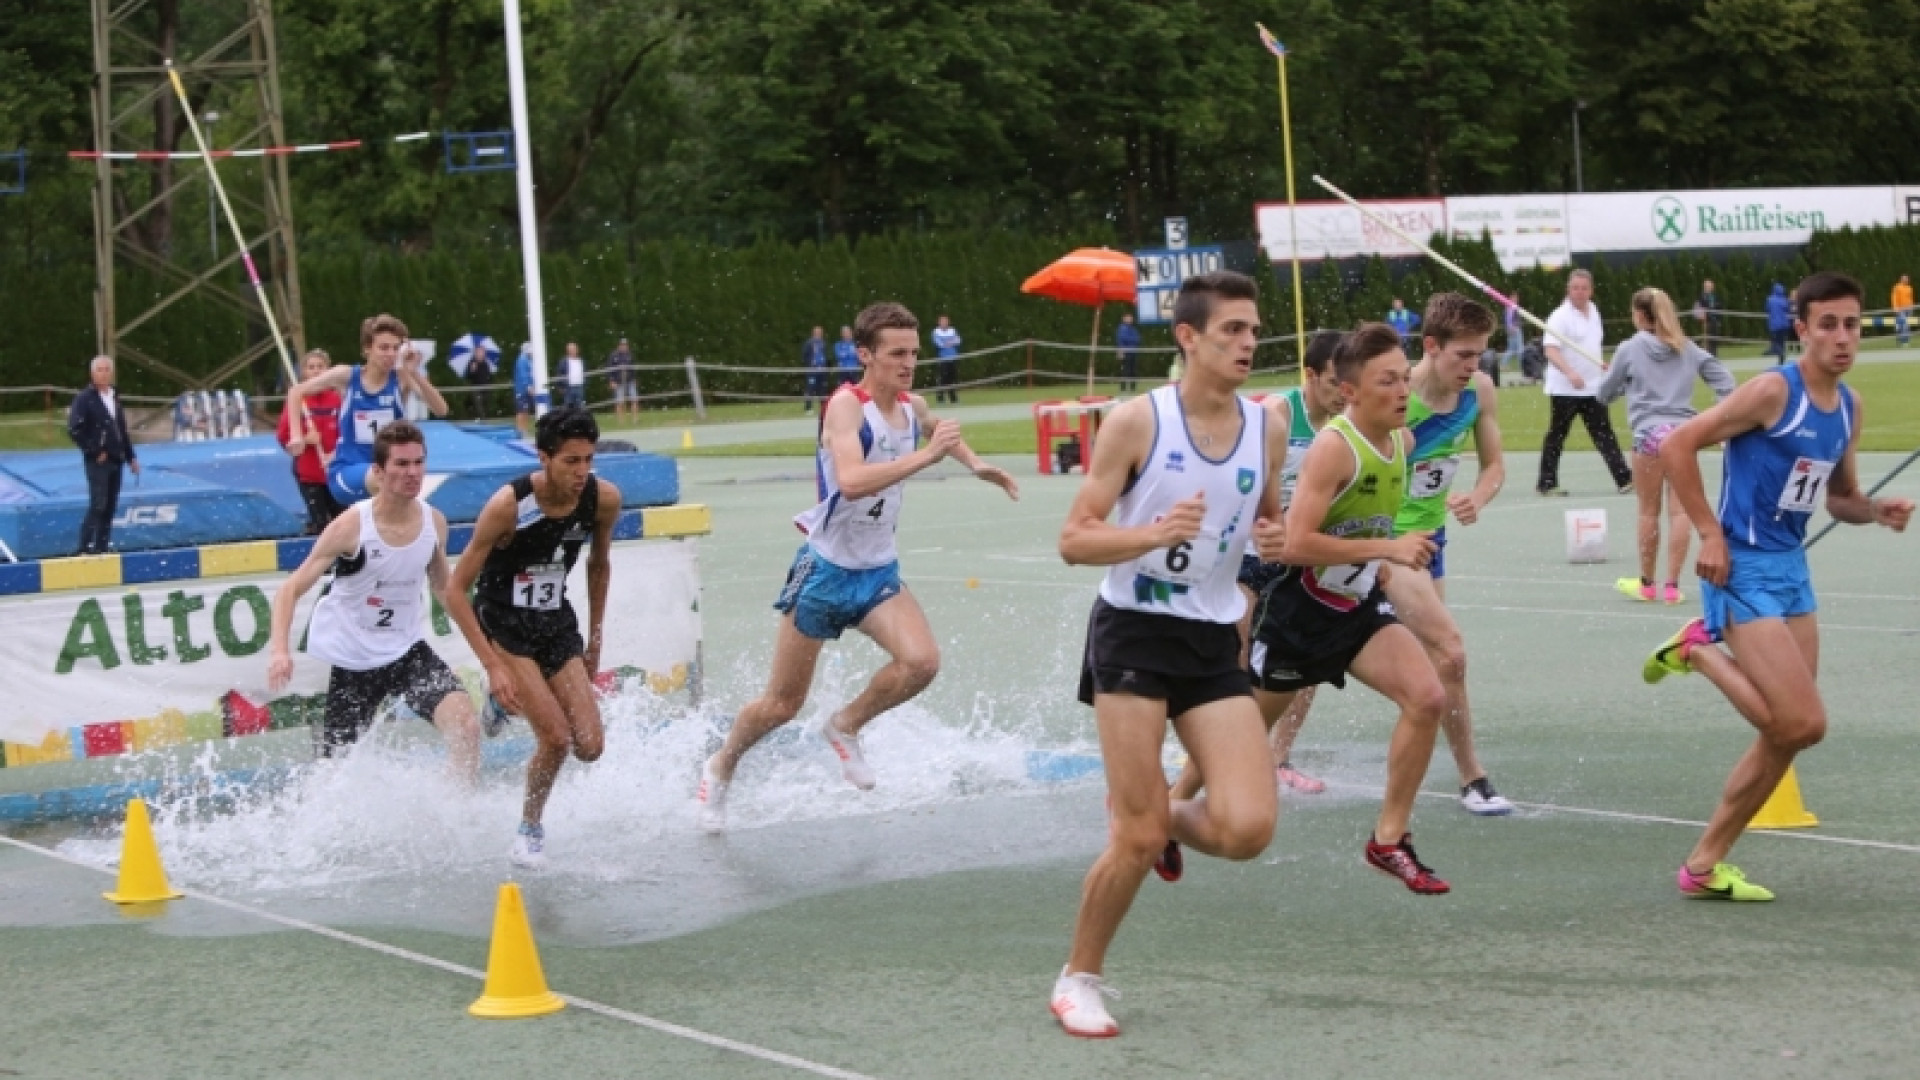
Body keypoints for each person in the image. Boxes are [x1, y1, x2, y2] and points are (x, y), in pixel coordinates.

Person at [1050, 271, 1287, 1039]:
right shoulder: (1135, 422)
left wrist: (1275, 539)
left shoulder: (1268, 426)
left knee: (1249, 829)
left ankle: (1162, 818)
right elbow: (1075, 538)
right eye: (1232, 331)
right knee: (1136, 836)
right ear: (1188, 338)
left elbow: (1268, 517)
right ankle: (1077, 979)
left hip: (1212, 638)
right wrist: (1151, 534)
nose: (1248, 343)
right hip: (1132, 633)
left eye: (1253, 330)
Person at [695, 302, 1018, 833]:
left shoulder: (912, 406)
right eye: (896, 353)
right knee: (780, 705)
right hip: (825, 572)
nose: (908, 363)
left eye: (914, 353)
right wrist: (929, 457)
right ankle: (721, 763)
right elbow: (851, 481)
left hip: (876, 573)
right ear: (865, 354)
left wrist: (979, 465)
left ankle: (845, 726)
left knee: (921, 663)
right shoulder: (847, 407)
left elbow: (943, 433)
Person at [1643, 271, 1913, 901]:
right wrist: (1708, 534)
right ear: (1802, 330)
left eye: (1852, 324)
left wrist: (1875, 511)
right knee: (1806, 723)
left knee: (1784, 734)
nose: (1843, 337)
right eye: (1828, 324)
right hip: (1740, 566)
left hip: (1793, 569)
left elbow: (1839, 498)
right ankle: (1698, 649)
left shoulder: (1849, 406)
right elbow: (1678, 444)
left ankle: (1703, 866)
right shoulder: (1771, 391)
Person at [1248, 322, 1451, 891]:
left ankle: (1389, 839)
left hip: (1357, 611)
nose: (1402, 391)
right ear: (1350, 390)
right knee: (1241, 737)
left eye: (1405, 379)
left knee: (1427, 696)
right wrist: (1386, 547)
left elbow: (1438, 386)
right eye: (1388, 381)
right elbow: (1291, 542)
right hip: (1299, 616)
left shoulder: (1402, 443)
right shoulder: (1334, 447)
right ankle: (1168, 810)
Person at [1169, 329, 1345, 801]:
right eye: (1332, 381)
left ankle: (1278, 757)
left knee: (1306, 660)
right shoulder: (1279, 415)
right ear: (1310, 376)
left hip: (1303, 556)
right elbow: (1237, 480)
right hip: (1250, 552)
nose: (1341, 391)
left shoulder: (1345, 424)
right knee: (1236, 652)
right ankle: (1210, 753)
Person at [444, 406, 620, 869]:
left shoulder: (602, 499)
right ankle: (529, 829)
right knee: (557, 739)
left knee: (590, 745)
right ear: (543, 458)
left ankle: (504, 703)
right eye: (570, 461)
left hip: (554, 623)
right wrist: (493, 665)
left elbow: (599, 565)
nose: (582, 471)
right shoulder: (508, 506)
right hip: (504, 624)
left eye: (588, 460)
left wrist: (595, 639)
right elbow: (455, 591)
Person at [265, 421, 481, 782]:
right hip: (354, 660)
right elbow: (289, 589)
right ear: (379, 472)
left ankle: (460, 813)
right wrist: (279, 651)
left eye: (418, 463)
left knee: (466, 726)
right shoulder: (351, 526)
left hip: (406, 652)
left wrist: (489, 652)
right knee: (335, 775)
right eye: (401, 464)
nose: (412, 473)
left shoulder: (434, 523)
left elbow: (445, 590)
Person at [1596, 288, 1736, 605]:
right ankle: (1672, 586)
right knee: (1680, 512)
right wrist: (1720, 415)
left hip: (1649, 436)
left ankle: (1647, 583)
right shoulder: (1686, 347)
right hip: (1684, 436)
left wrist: (1617, 378)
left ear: (1640, 315)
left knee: (1648, 511)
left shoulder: (1629, 348)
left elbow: (1603, 395)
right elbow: (1724, 380)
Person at [287, 314, 448, 506]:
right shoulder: (346, 376)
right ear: (367, 349)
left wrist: (414, 372)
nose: (390, 354)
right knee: (387, 478)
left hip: (388, 473)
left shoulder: (401, 378)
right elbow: (296, 392)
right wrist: (296, 435)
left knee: (398, 479)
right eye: (383, 348)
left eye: (396, 348)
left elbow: (441, 409)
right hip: (348, 472)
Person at [1537, 269, 1633, 496]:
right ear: (1568, 290)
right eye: (1575, 288)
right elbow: (1550, 350)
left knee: (1604, 434)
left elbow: (1591, 346)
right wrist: (1569, 372)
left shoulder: (1594, 311)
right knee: (1557, 435)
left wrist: (1602, 364)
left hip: (1593, 387)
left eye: (1584, 288)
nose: (1579, 293)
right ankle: (1547, 483)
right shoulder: (1559, 316)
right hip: (1565, 390)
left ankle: (1624, 478)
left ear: (1591, 290)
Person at [67, 355, 141, 555]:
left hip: (116, 458)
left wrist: (130, 456)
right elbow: (75, 429)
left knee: (109, 506)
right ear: (92, 373)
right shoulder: (84, 399)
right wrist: (94, 450)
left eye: (107, 369)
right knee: (98, 504)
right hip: (98, 460)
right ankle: (84, 546)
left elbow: (121, 430)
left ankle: (101, 546)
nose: (104, 373)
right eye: (100, 369)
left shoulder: (114, 397)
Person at [277, 348, 344, 534]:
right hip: (309, 473)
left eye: (320, 367)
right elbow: (283, 434)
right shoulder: (299, 400)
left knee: (342, 521)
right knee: (321, 524)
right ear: (304, 372)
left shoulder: (338, 399)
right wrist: (305, 439)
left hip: (335, 470)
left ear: (328, 370)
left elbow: (349, 432)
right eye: (311, 367)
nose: (316, 371)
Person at [931, 314, 962, 404]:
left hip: (953, 358)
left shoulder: (952, 331)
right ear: (939, 322)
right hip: (943, 359)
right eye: (942, 321)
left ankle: (953, 398)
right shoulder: (936, 332)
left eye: (946, 321)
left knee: (952, 379)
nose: (944, 323)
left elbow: (958, 340)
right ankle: (940, 399)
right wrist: (948, 343)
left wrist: (949, 342)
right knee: (942, 379)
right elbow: (938, 343)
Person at [462, 341, 496, 420]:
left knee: (485, 406)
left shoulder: (486, 363)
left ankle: (481, 419)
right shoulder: (472, 362)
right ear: (476, 352)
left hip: (486, 388)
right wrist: (472, 370)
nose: (481, 353)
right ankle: (482, 420)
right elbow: (468, 377)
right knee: (478, 406)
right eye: (479, 351)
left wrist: (489, 383)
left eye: (483, 352)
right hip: (476, 388)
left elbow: (489, 376)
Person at [607, 338, 637, 422]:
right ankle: (620, 420)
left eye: (625, 345)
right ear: (619, 346)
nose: (624, 347)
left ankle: (634, 419)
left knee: (634, 399)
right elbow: (610, 369)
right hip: (618, 382)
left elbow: (633, 368)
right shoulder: (613, 356)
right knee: (619, 401)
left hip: (629, 380)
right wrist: (611, 381)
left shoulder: (630, 355)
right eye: (622, 345)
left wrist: (634, 378)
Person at [801, 326, 829, 412]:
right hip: (812, 370)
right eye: (817, 332)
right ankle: (808, 408)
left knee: (823, 390)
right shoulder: (809, 343)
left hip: (822, 370)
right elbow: (804, 355)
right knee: (810, 388)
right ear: (813, 333)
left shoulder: (823, 343)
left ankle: (823, 408)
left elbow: (826, 355)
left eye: (820, 332)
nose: (819, 334)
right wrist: (809, 363)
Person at [1765, 283, 1793, 363]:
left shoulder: (1770, 299)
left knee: (1775, 341)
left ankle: (1777, 352)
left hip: (1774, 325)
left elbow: (1767, 309)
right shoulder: (1784, 300)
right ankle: (1781, 359)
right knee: (1782, 342)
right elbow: (1788, 309)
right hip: (1784, 324)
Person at [1694, 280, 1724, 356]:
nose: (1707, 288)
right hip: (1705, 322)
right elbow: (1697, 310)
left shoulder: (1716, 297)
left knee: (1714, 340)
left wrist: (1719, 320)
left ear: (1712, 288)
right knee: (1706, 340)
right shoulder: (1700, 298)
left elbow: (1720, 308)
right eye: (1706, 287)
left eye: (1709, 286)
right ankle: (1705, 356)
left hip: (1715, 321)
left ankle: (1714, 355)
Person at [512, 344, 536, 437]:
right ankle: (520, 431)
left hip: (525, 390)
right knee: (521, 411)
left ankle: (523, 430)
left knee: (525, 411)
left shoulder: (528, 360)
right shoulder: (522, 360)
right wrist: (528, 386)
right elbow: (524, 375)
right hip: (521, 390)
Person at [1115, 313, 1141, 392]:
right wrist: (1132, 340)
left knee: (1133, 370)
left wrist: (1132, 340)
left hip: (1133, 352)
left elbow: (1138, 339)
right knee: (1125, 370)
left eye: (1131, 318)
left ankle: (1132, 387)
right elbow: (1123, 339)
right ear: (1124, 319)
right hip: (1125, 352)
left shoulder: (1133, 329)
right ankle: (1123, 387)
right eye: (1128, 318)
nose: (1130, 319)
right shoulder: (1122, 328)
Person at [1501, 291, 1525, 373]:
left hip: (1511, 330)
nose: (1516, 299)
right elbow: (1509, 319)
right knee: (1519, 349)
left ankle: (1503, 365)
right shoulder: (1512, 307)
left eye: (1517, 298)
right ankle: (1522, 366)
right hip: (1515, 330)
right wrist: (1513, 327)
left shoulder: (1508, 307)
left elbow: (1507, 320)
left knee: (1511, 350)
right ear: (1511, 298)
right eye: (1515, 297)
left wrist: (1509, 328)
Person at [560, 342, 586, 409]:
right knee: (568, 406)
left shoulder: (581, 361)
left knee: (579, 406)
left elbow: (584, 372)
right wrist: (561, 386)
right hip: (568, 387)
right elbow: (560, 374)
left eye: (575, 349)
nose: (574, 351)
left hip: (579, 386)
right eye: (572, 349)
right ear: (568, 351)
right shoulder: (564, 361)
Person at [1892, 274, 1912, 347]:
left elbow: (1910, 298)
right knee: (1903, 325)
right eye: (1905, 279)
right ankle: (1902, 341)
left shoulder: (1909, 288)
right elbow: (1894, 297)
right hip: (1900, 309)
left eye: (1907, 279)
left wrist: (1911, 307)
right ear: (1901, 279)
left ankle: (1906, 340)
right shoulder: (1897, 287)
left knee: (1907, 325)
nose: (1906, 280)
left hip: (1908, 309)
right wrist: (1895, 307)